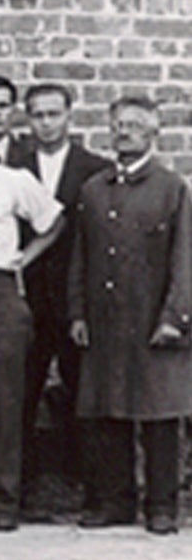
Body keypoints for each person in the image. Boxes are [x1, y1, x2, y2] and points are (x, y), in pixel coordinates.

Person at [68, 96, 189, 535]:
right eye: (118, 124)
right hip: (105, 318)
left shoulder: (172, 188)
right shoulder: (94, 189)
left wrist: (175, 316)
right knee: (107, 409)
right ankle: (114, 501)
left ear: (154, 134)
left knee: (158, 414)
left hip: (154, 318)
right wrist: (77, 312)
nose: (125, 132)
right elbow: (80, 256)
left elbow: (185, 259)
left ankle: (161, 504)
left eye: (136, 125)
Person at [8, 82, 111, 516]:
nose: (46, 123)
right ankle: (20, 491)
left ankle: (92, 490)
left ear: (70, 115)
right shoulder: (10, 167)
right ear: (26, 119)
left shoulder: (95, 168)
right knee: (19, 394)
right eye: (37, 115)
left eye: (54, 114)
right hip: (23, 296)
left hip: (74, 297)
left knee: (83, 391)